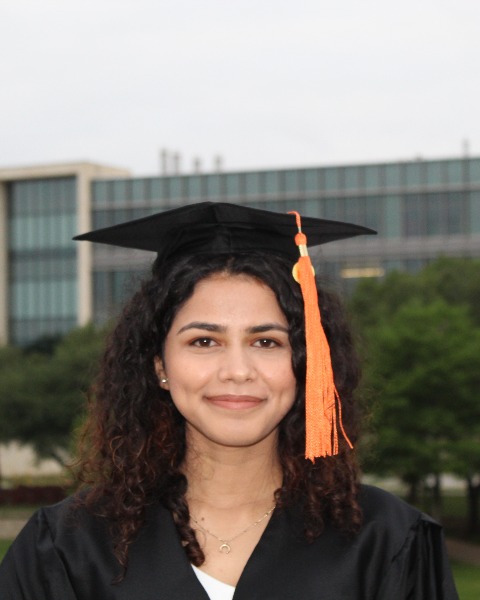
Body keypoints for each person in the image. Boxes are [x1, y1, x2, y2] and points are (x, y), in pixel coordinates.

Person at [0, 202, 458, 599]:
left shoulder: (388, 541)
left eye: (266, 342)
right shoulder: (68, 548)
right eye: (204, 341)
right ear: (159, 365)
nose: (238, 370)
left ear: (307, 362)